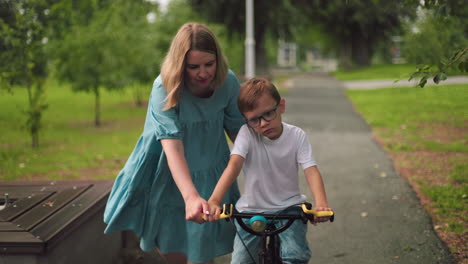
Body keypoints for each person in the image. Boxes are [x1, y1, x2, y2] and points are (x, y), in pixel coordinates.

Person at [103, 22, 245, 264]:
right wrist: (190, 197)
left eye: (209, 64)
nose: (203, 73)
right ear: (180, 65)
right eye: (193, 67)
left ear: (218, 60)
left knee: (201, 252)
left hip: (211, 170)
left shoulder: (228, 82)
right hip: (169, 174)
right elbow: (173, 147)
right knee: (175, 248)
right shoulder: (165, 87)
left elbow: (239, 134)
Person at [205, 77, 333, 263]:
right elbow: (234, 165)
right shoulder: (246, 134)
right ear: (246, 120)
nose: (263, 123)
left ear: (281, 106)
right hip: (251, 209)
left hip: (289, 208)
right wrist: (215, 200)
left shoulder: (297, 136)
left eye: (268, 114)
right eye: (254, 120)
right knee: (241, 261)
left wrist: (321, 203)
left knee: (295, 256)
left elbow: (311, 170)